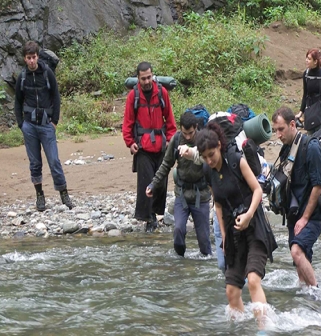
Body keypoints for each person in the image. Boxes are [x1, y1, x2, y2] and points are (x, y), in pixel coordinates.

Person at [196, 123, 277, 328]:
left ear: (219, 147)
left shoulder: (235, 160)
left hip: (255, 226)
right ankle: (241, 329)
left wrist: (249, 214)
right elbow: (219, 205)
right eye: (204, 156)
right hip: (233, 232)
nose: (209, 160)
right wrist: (223, 237)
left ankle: (263, 330)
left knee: (252, 280)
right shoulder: (208, 171)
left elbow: (257, 190)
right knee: (231, 291)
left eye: (211, 154)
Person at [14, 41, 73, 211]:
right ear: (25, 59)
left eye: (33, 57)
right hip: (29, 126)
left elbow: (56, 96)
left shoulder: (47, 73)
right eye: (28, 58)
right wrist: (21, 124)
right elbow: (17, 101)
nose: (32, 61)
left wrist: (54, 121)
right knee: (35, 163)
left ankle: (64, 194)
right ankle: (40, 196)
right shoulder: (22, 77)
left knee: (54, 160)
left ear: (37, 57)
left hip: (47, 125)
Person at [272, 106, 321, 287]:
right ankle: (305, 301)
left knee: (296, 252)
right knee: (300, 263)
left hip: (312, 214)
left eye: (281, 129)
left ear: (292, 124)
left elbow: (318, 186)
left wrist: (304, 218)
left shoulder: (311, 147)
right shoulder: (286, 150)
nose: (278, 135)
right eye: (275, 131)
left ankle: (316, 293)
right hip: (294, 213)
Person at [146, 112, 211, 257]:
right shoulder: (176, 140)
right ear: (180, 128)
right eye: (185, 133)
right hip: (182, 195)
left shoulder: (204, 140)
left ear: (196, 127)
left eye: (191, 133)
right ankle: (180, 264)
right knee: (178, 231)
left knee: (204, 242)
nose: (187, 137)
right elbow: (166, 164)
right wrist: (153, 184)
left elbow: (213, 164)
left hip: (202, 195)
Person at [123, 62, 177, 232]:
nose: (146, 81)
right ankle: (149, 219)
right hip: (143, 148)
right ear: (138, 78)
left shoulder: (162, 93)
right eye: (143, 78)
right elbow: (128, 122)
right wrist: (130, 142)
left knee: (160, 182)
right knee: (146, 183)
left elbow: (170, 119)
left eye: (149, 77)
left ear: (153, 76)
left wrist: (170, 140)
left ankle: (156, 213)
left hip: (161, 146)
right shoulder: (133, 96)